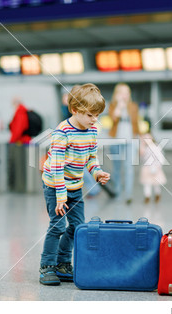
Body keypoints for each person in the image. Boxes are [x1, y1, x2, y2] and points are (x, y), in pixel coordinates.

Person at [39, 83, 110, 286]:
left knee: (78, 226)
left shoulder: (92, 129)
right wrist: (61, 195)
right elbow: (56, 166)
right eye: (90, 115)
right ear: (75, 110)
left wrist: (97, 173)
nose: (94, 119)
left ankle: (62, 264)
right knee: (58, 225)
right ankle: (47, 266)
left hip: (75, 186)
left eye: (97, 115)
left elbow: (90, 158)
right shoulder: (62, 133)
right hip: (55, 185)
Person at [108, 83, 140, 204]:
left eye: (127, 93)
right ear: (117, 94)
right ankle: (117, 191)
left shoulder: (133, 106)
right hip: (116, 141)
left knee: (129, 167)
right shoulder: (113, 106)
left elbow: (136, 125)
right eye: (122, 93)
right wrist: (119, 106)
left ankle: (128, 194)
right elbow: (113, 119)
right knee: (116, 168)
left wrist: (140, 142)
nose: (125, 95)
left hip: (130, 141)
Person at [139, 133, 167, 203]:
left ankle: (157, 194)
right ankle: (147, 196)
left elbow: (161, 158)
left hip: (156, 167)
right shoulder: (144, 148)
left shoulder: (156, 147)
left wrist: (158, 166)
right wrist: (142, 145)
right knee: (147, 183)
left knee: (156, 183)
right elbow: (142, 156)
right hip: (147, 168)